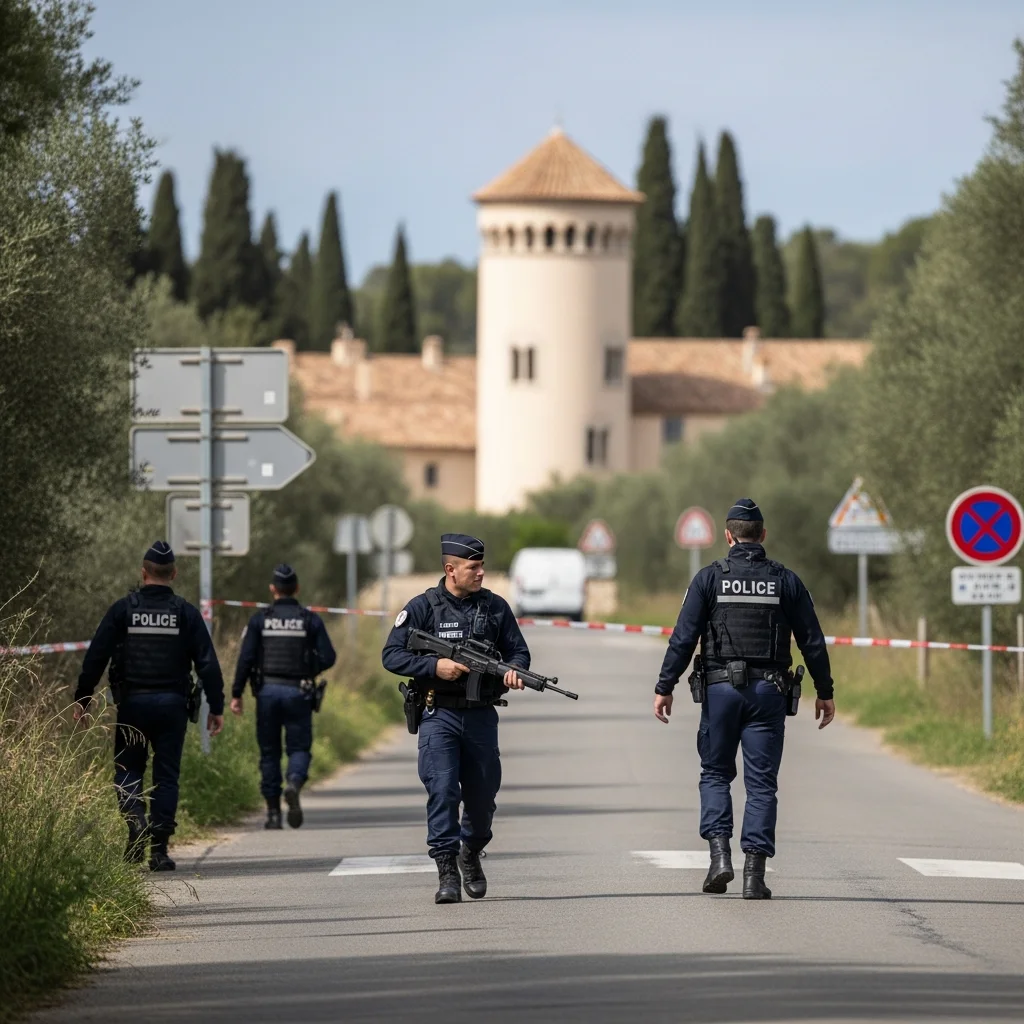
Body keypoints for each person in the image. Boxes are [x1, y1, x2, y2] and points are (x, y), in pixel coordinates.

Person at [653, 499, 836, 900]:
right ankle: (754, 876)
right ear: (763, 536)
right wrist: (825, 692)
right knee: (762, 785)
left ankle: (720, 858)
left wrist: (665, 685)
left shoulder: (709, 578)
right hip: (769, 693)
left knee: (716, 774)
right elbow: (812, 640)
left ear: (728, 535)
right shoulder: (785, 580)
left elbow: (683, 638)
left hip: (720, 693)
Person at [381, 534, 530, 904]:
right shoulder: (422, 608)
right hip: (438, 715)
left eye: (481, 566)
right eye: (473, 567)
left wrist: (514, 671)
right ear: (451, 569)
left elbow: (519, 652)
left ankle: (471, 851)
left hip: (480, 717)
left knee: (483, 798)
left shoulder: (495, 608)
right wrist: (434, 665)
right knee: (443, 791)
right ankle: (446, 870)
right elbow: (392, 655)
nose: (481, 573)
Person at [74, 541, 225, 871]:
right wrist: (217, 705)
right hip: (173, 706)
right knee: (166, 776)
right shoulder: (185, 612)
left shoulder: (123, 610)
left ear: (143, 573)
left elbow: (95, 656)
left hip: (133, 705)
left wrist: (83, 698)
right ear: (174, 573)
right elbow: (207, 664)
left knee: (128, 769)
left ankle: (135, 822)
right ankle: (159, 850)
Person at [230, 564, 337, 830]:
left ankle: (273, 814)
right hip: (298, 692)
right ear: (297, 589)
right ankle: (294, 782)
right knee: (299, 748)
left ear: (272, 589)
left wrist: (236, 694)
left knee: (269, 753)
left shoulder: (260, 619)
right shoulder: (309, 619)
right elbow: (328, 657)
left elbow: (245, 659)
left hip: (267, 692)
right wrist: (308, 670)